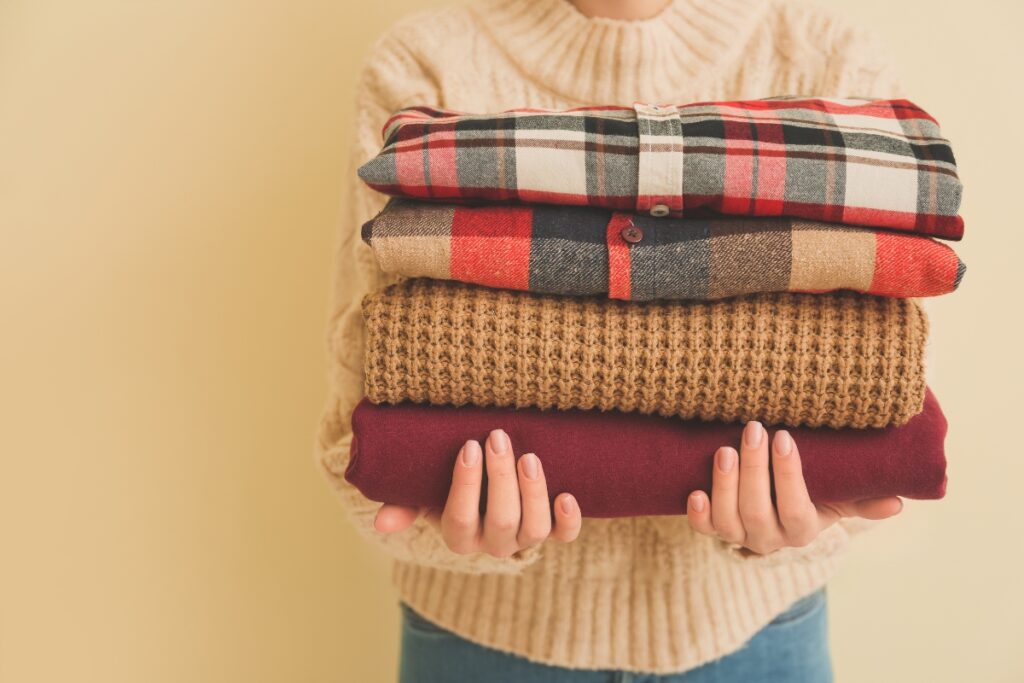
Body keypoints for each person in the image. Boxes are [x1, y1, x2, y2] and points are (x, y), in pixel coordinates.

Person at [318, 0, 904, 680]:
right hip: (479, 640)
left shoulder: (831, 59)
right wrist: (451, 525)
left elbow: (877, 392)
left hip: (760, 637)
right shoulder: (423, 67)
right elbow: (358, 429)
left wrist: (805, 517)